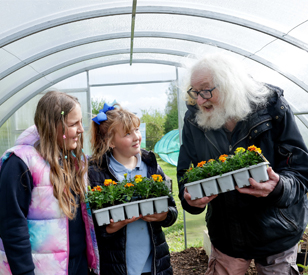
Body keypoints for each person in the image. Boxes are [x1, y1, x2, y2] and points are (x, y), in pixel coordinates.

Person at [177, 53, 308, 274]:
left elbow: (300, 170)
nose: (199, 100)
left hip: (278, 229)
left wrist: (278, 187)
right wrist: (190, 199)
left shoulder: (271, 107)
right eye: (195, 92)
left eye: (206, 90)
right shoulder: (194, 119)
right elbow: (185, 173)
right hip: (227, 235)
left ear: (230, 86)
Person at [0, 91, 100, 275]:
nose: (81, 129)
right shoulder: (20, 163)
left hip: (78, 266)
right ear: (54, 126)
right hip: (41, 269)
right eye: (73, 124)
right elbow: (12, 226)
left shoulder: (74, 160)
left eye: (80, 122)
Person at [88, 103, 178, 275]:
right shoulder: (96, 172)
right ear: (110, 142)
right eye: (128, 133)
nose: (136, 136)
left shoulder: (151, 166)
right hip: (117, 266)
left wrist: (165, 215)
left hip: (154, 265)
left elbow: (172, 209)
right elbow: (90, 225)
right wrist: (109, 228)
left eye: (136, 129)